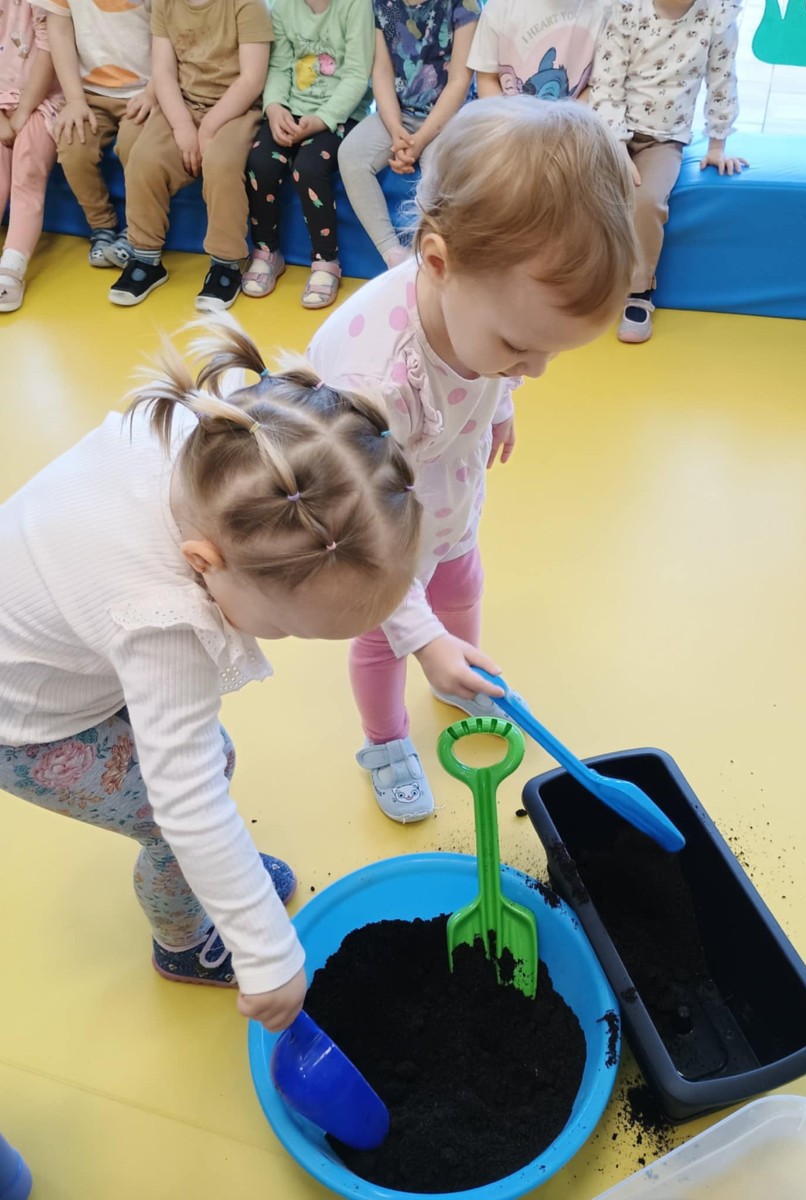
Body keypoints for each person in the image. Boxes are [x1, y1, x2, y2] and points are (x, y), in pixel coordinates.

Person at [0, 315, 422, 1031]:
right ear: (204, 563)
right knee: (173, 819)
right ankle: (184, 943)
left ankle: (213, 893)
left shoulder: (224, 439)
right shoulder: (162, 621)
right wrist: (266, 950)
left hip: (58, 633)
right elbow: (186, 798)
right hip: (27, 724)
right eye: (284, 626)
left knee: (211, 758)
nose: (280, 640)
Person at [307, 95, 636, 822]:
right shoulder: (373, 380)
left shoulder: (481, 314)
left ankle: (460, 673)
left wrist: (503, 397)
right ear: (436, 262)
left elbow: (495, 361)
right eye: (520, 349)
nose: (534, 370)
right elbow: (362, 539)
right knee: (383, 642)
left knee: (462, 581)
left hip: (444, 495)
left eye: (548, 353)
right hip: (370, 533)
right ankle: (385, 741)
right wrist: (422, 639)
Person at [590, 0, 746, 343]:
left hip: (663, 140)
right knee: (579, 189)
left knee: (646, 201)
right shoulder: (628, 9)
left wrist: (717, 143)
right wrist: (617, 145)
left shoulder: (716, 15)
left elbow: (723, 80)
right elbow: (606, 82)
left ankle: (639, 292)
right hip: (608, 131)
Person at [108, 0, 273, 310]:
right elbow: (163, 72)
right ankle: (145, 257)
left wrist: (208, 128)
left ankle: (226, 263)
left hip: (236, 109)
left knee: (222, 164)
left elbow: (252, 79)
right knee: (144, 160)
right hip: (184, 104)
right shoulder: (165, 4)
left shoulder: (247, 4)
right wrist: (183, 126)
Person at [241, 0, 374, 308]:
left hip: (340, 116)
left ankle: (326, 260)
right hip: (291, 111)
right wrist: (275, 107)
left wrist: (322, 119)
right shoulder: (284, 7)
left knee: (309, 168)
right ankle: (267, 251)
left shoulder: (356, 6)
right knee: (260, 162)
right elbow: (278, 68)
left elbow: (357, 75)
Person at [336, 0, 480, 272]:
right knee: (351, 155)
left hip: (449, 116)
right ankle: (393, 254)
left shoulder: (464, 5)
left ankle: (425, 252)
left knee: (438, 170)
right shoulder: (382, 5)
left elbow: (459, 82)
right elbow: (382, 72)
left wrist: (419, 141)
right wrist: (395, 129)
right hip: (399, 113)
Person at [34, 0, 153, 269]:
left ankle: (137, 231)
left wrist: (154, 92)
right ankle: (102, 226)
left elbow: (167, 33)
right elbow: (59, 31)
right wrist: (75, 99)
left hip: (145, 93)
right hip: (90, 93)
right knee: (72, 145)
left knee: (138, 148)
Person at [0, 2, 63, 313]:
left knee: (27, 171)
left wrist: (23, 111)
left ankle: (12, 263)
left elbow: (49, 50)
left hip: (41, 100)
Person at [466, 0, 608, 100]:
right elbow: (487, 80)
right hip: (507, 125)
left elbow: (599, 88)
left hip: (574, 127)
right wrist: (509, 126)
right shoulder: (500, 6)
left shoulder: (606, 10)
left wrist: (567, 127)